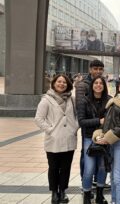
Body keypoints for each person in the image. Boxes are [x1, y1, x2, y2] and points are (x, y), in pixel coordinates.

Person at [35, 74, 79, 204]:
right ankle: (54, 192)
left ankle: (63, 191)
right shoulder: (46, 99)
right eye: (59, 82)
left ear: (68, 84)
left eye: (64, 82)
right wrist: (51, 130)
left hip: (69, 139)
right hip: (53, 140)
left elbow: (77, 116)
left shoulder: (72, 99)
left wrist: (74, 128)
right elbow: (38, 119)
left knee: (66, 167)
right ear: (54, 83)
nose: (62, 84)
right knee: (53, 167)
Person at [92, 78, 120, 204]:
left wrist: (108, 137)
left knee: (118, 176)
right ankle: (114, 200)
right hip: (110, 141)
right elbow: (107, 121)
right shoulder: (114, 100)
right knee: (112, 175)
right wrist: (99, 135)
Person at [77, 76, 111, 204]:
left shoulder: (109, 100)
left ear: (104, 86)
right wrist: (99, 121)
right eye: (95, 83)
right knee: (89, 168)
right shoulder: (84, 101)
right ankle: (87, 195)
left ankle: (100, 195)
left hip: (104, 138)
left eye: (101, 83)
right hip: (89, 139)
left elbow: (112, 120)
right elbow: (81, 121)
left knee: (102, 167)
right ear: (92, 85)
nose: (98, 85)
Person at [75, 60, 105, 183]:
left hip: (100, 128)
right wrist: (98, 120)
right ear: (90, 69)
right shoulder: (83, 85)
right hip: (88, 127)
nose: (98, 71)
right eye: (95, 68)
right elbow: (80, 107)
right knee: (86, 153)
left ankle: (98, 180)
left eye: (100, 69)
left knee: (100, 153)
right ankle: (85, 180)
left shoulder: (102, 83)